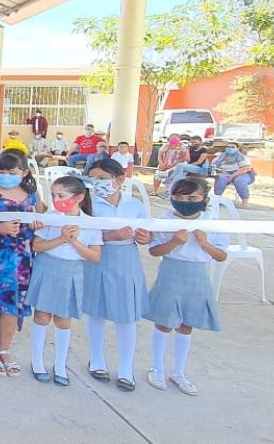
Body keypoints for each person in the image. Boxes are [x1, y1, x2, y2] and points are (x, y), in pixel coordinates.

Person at [145, 177, 228, 396]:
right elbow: (154, 251)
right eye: (179, 197)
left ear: (204, 199)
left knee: (186, 324)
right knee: (164, 322)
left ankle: (179, 372)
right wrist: (173, 242)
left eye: (192, 198)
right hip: (171, 272)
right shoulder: (165, 220)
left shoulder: (212, 222)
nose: (185, 202)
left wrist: (204, 243)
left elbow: (221, 255)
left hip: (197, 275)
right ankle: (157, 368)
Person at [0, 150, 45, 377]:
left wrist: (37, 225)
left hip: (21, 258)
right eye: (1, 171)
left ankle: (5, 348)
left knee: (13, 305)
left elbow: (43, 219)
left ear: (23, 172)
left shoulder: (32, 196)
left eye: (11, 172)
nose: (5, 175)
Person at [28, 175, 103, 387]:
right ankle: (37, 362)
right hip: (48, 266)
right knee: (42, 315)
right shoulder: (50, 217)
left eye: (61, 195)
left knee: (63, 318)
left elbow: (95, 256)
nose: (56, 199)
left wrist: (74, 241)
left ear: (79, 197)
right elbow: (37, 246)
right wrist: (61, 238)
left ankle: (60, 364)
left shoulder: (90, 223)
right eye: (53, 195)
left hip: (72, 270)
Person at [83, 159, 151, 391]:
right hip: (99, 258)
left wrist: (144, 238)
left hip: (127, 261)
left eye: (102, 178)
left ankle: (126, 369)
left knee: (126, 315)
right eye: (93, 178)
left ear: (119, 180)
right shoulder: (88, 205)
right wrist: (112, 236)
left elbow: (146, 233)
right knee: (97, 311)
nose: (97, 183)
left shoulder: (135, 205)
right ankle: (97, 360)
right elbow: (83, 236)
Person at [210, 141, 255, 208]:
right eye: (228, 147)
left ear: (237, 148)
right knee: (220, 178)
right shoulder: (221, 156)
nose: (230, 148)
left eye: (232, 147)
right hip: (225, 173)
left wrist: (233, 176)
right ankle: (217, 199)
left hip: (241, 173)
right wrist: (216, 171)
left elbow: (246, 168)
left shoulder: (241, 156)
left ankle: (245, 202)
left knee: (239, 180)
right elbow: (213, 166)